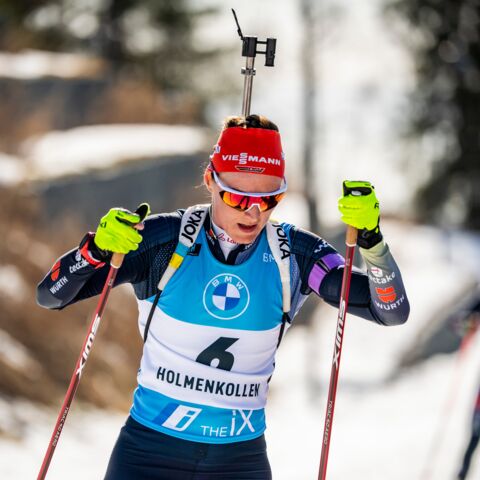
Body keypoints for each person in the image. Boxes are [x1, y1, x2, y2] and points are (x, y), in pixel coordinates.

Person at [37, 114, 410, 480]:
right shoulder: (164, 241)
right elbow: (50, 295)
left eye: (268, 200)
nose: (252, 213)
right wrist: (96, 251)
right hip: (149, 454)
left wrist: (372, 240)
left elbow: (390, 311)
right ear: (210, 181)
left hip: (239, 460)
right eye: (237, 197)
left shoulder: (294, 255)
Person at [457, 382, 480, 479]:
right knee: (473, 443)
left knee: (472, 444)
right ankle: (463, 472)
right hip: (478, 414)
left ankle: (463, 472)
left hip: (477, 413)